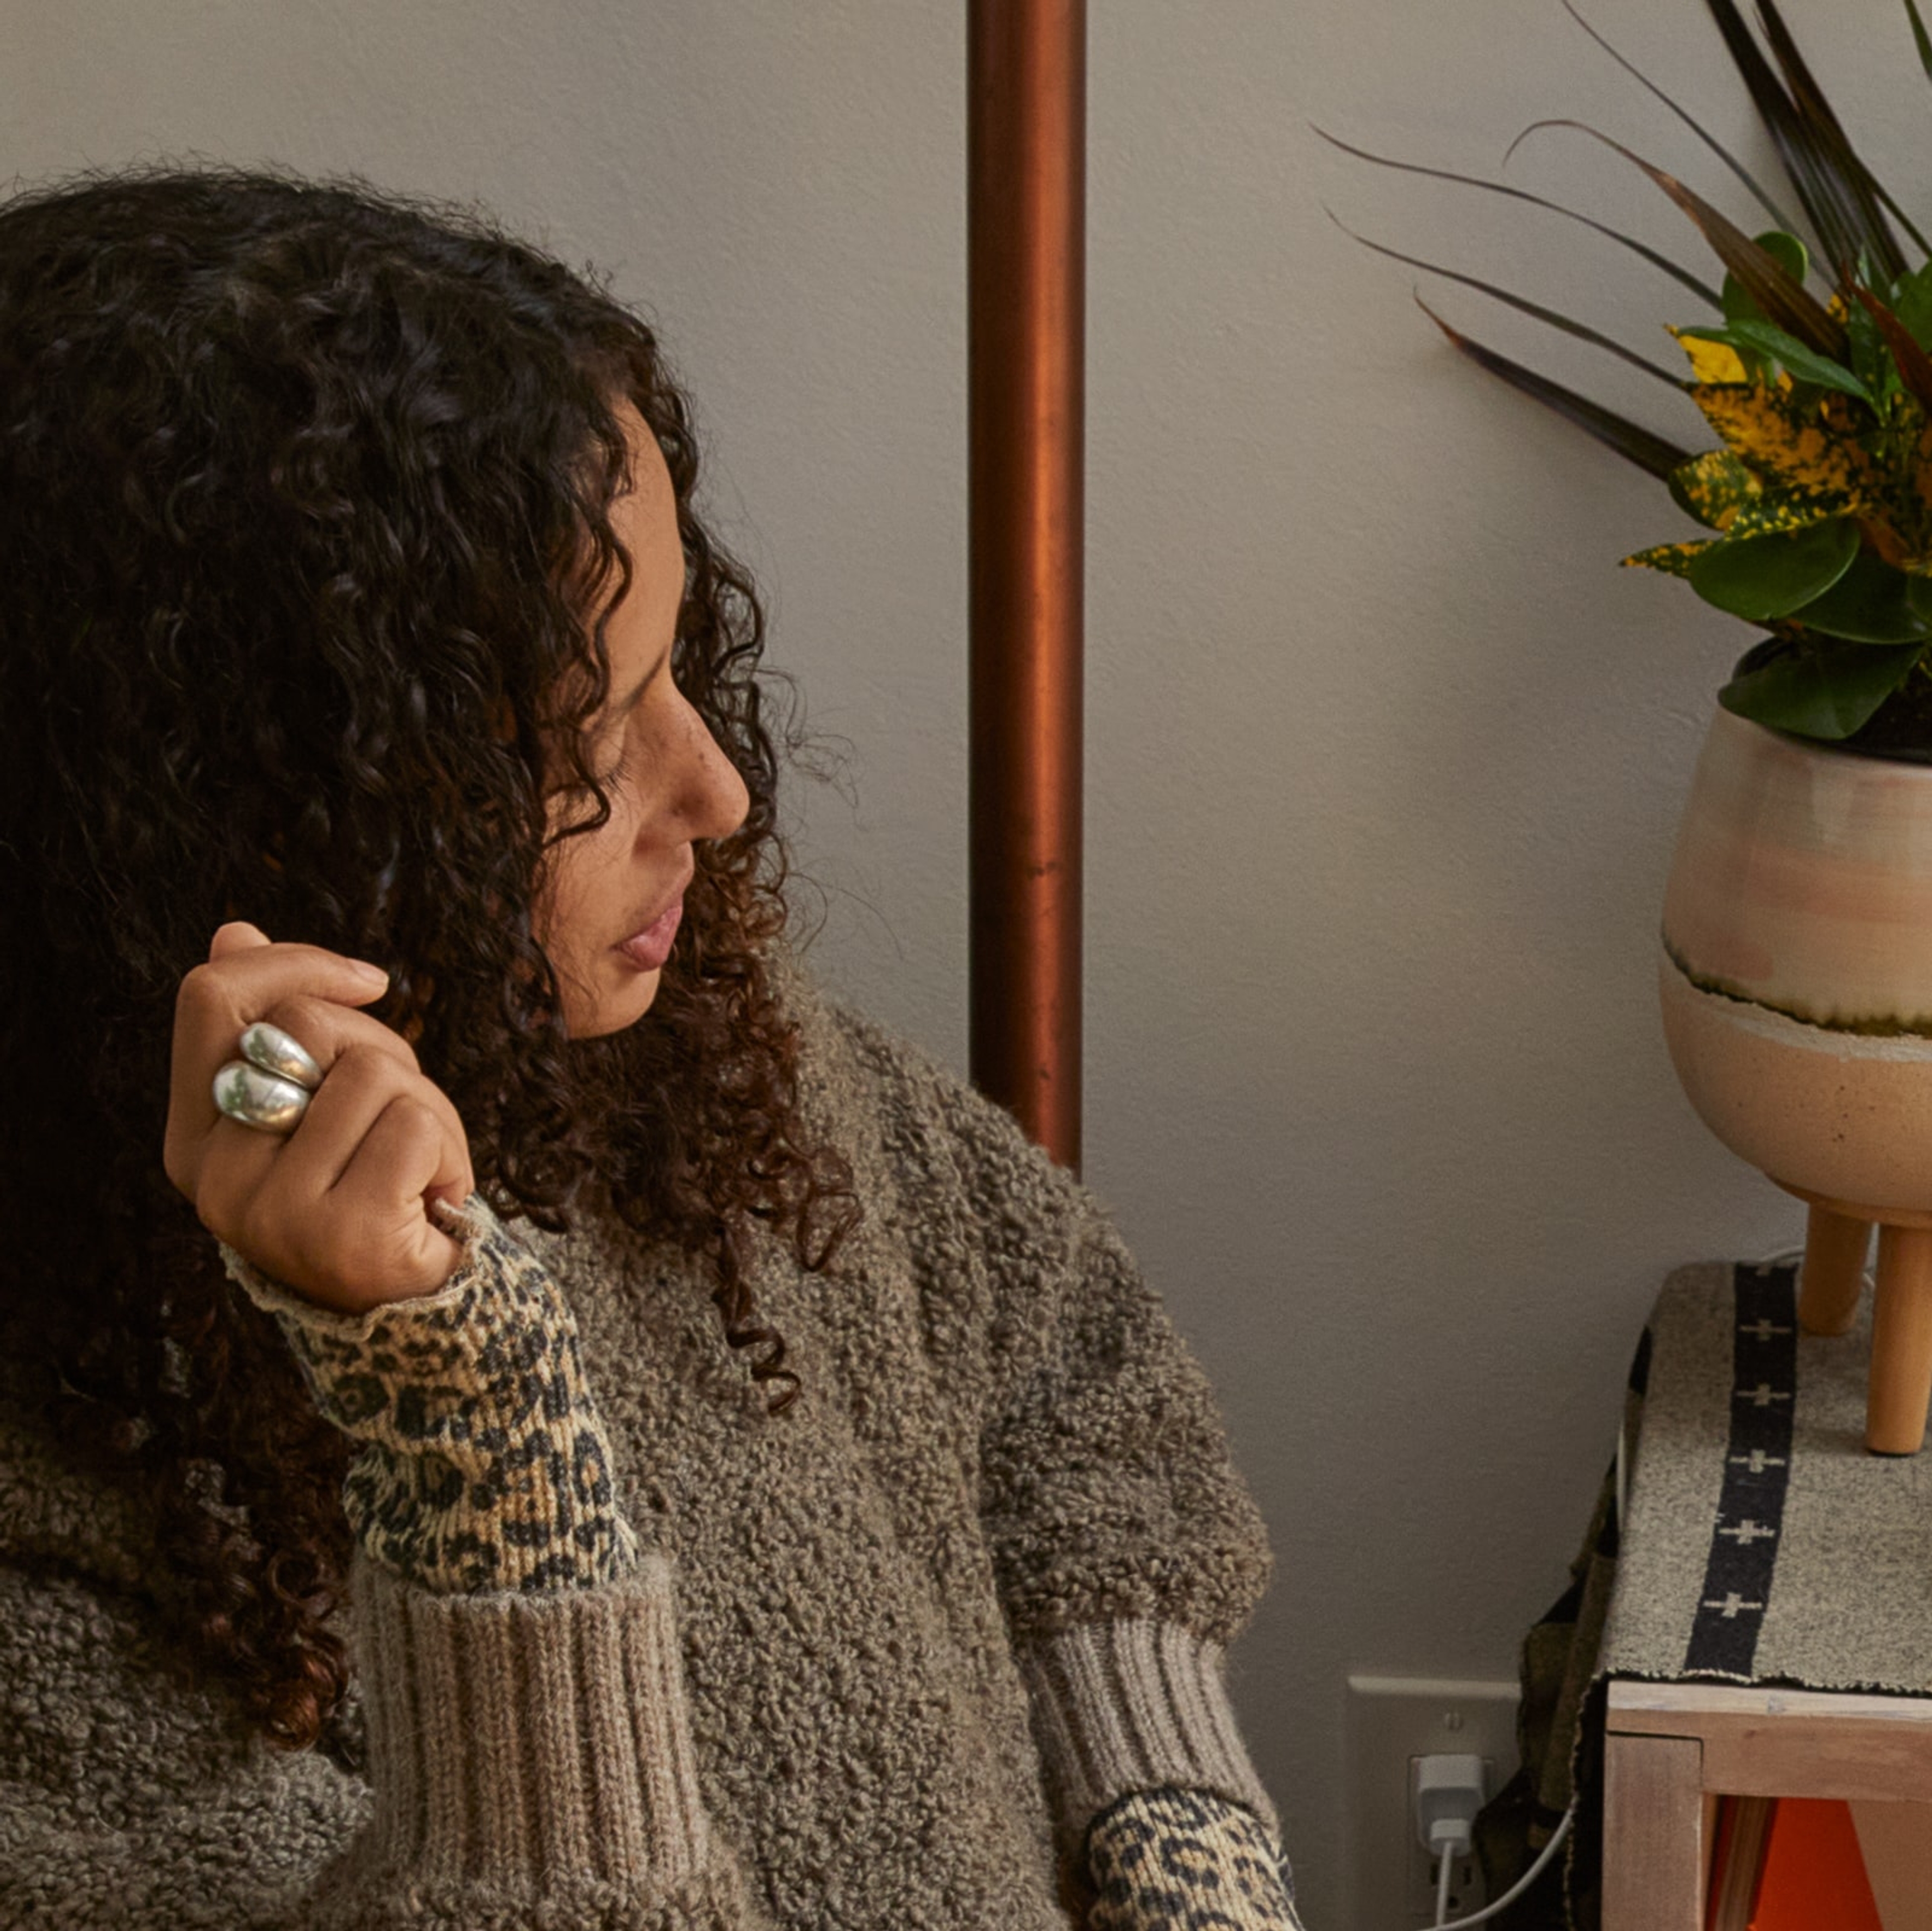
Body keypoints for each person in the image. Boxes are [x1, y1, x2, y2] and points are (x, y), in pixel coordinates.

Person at [0, 163, 1303, 1930]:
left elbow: (1066, 1384)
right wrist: (470, 1446)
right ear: (246, 814)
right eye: (578, 742)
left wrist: (1174, 1842)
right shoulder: (56, 1517)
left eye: (678, 662)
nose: (719, 786)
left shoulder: (677, 1063)